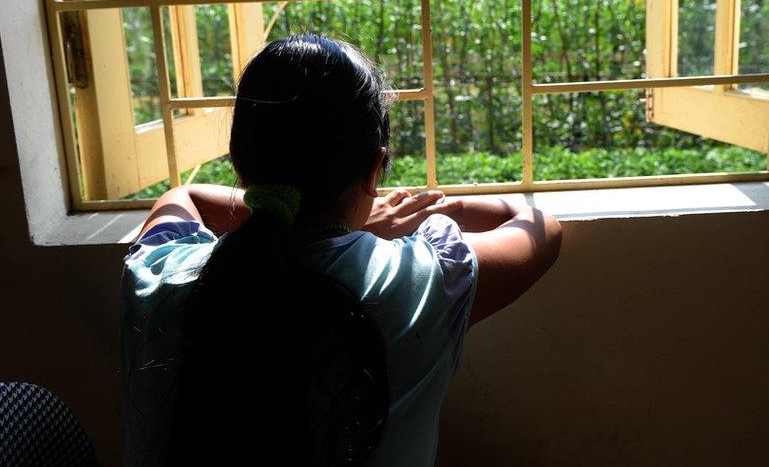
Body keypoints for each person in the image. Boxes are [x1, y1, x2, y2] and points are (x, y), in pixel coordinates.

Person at [121, 34, 562, 466]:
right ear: (374, 167)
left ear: (237, 161)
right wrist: (434, 206)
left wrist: (284, 215)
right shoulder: (423, 282)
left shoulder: (159, 275)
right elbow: (541, 227)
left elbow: (184, 197)